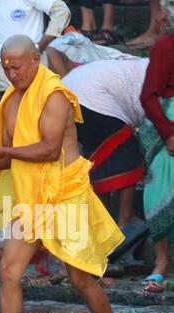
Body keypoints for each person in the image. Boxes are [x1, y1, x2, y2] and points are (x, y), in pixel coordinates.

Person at [0, 34, 124, 313]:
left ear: (35, 60)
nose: (12, 75)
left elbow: (48, 150)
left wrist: (3, 153)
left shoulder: (55, 95)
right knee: (9, 272)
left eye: (17, 68)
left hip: (64, 195)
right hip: (29, 196)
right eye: (6, 69)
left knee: (80, 278)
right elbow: (3, 156)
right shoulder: (9, 99)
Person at [62, 57, 148, 228]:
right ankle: (126, 219)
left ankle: (103, 223)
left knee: (97, 156)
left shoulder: (146, 64)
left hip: (71, 93)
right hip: (91, 99)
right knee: (124, 147)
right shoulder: (158, 70)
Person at [0, 0, 71, 121]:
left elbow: (61, 11)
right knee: (2, 120)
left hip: (31, 63)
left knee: (36, 118)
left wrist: (40, 46)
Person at [140, 0, 174, 289]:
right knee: (159, 193)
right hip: (167, 124)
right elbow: (148, 96)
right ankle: (161, 262)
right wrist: (168, 132)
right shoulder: (165, 46)